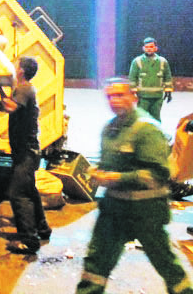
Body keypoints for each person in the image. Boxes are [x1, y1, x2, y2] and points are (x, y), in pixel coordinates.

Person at [76, 78, 193, 294]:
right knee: (96, 262)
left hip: (145, 211)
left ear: (134, 97)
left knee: (166, 264)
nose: (115, 100)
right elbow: (106, 165)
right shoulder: (110, 129)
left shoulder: (147, 129)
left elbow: (160, 174)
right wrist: (96, 171)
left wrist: (116, 178)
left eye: (120, 95)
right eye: (110, 96)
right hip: (113, 209)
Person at [0, 56, 52, 254]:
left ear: (21, 71)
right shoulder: (22, 88)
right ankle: (43, 228)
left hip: (26, 152)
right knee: (29, 191)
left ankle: (29, 241)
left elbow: (10, 107)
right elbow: (7, 107)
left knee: (17, 194)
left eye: (16, 65)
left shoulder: (24, 88)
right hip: (26, 151)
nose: (13, 67)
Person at [129, 37, 173, 121]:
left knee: (156, 118)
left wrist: (168, 91)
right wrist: (133, 92)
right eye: (147, 47)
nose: (149, 49)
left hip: (157, 97)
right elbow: (132, 77)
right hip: (143, 96)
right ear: (143, 48)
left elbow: (167, 76)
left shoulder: (162, 61)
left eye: (151, 47)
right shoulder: (137, 61)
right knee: (141, 118)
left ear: (156, 48)